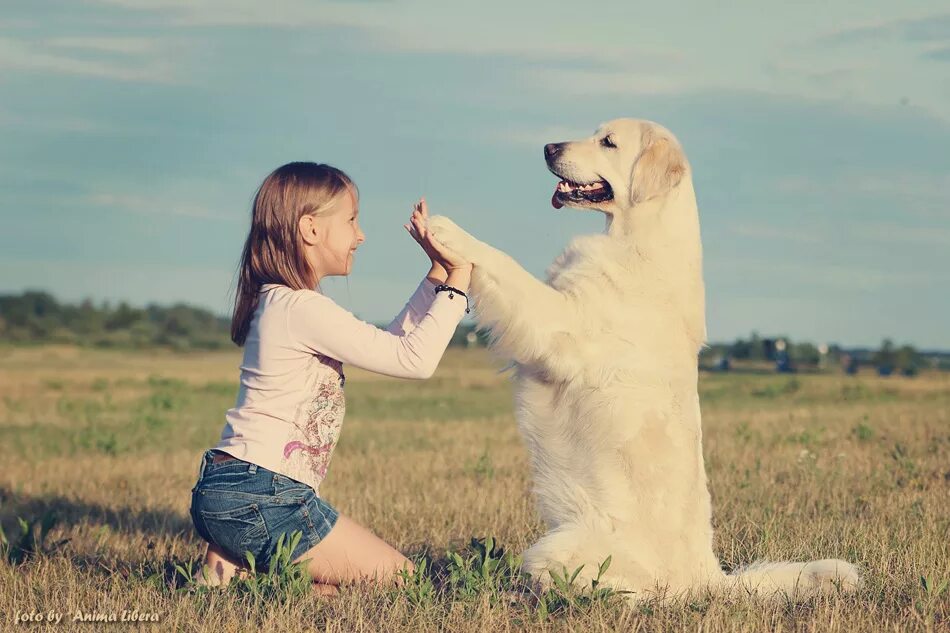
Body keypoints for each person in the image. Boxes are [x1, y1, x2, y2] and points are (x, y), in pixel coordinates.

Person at [188, 162, 471, 595]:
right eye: (353, 220)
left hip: (226, 488)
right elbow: (415, 360)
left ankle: (228, 577)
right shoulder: (302, 308)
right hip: (266, 494)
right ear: (311, 229)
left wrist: (436, 273)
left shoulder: (281, 302)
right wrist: (461, 278)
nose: (361, 235)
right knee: (408, 585)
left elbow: (392, 341)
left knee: (326, 591)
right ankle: (248, 572)